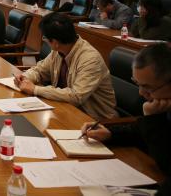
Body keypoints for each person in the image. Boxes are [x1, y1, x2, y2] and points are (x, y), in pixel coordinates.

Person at [82, 44, 171, 192]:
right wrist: (110, 133)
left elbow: (167, 165)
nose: (141, 93)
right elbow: (138, 130)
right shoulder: (161, 103)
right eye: (137, 84)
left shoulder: (157, 109)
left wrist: (153, 119)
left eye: (148, 87)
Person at [15, 12, 117, 121]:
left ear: (55, 42)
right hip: (66, 108)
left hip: (95, 119)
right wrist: (25, 78)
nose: (44, 40)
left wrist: (35, 89)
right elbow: (40, 70)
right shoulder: (58, 50)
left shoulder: (90, 59)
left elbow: (76, 96)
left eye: (45, 37)